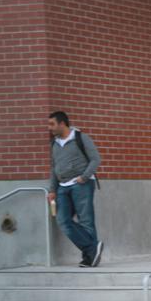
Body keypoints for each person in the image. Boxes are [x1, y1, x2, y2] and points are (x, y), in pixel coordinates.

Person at [47, 111, 103, 267]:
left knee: (86, 221)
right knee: (63, 220)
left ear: (62, 123)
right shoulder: (55, 143)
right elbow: (54, 168)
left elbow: (96, 159)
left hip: (81, 185)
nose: (49, 127)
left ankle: (89, 257)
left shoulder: (80, 138)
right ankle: (93, 248)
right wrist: (52, 190)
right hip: (62, 188)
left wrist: (84, 177)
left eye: (52, 124)